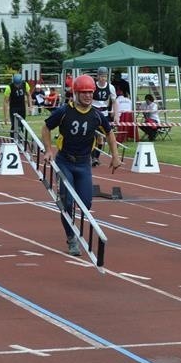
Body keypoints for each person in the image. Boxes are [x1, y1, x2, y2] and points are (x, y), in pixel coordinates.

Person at [41, 74, 121, 256]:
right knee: (67, 202)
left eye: (90, 92)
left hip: (84, 163)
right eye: (84, 92)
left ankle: (74, 226)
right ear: (76, 93)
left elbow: (109, 134)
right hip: (65, 162)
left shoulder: (97, 115)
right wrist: (48, 149)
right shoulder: (64, 111)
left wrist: (115, 156)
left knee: (85, 203)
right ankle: (71, 238)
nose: (88, 96)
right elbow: (46, 128)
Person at [91, 66, 118, 166]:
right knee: (91, 135)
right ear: (97, 77)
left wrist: (116, 115)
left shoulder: (110, 87)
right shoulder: (93, 86)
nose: (103, 79)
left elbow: (114, 102)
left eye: (105, 76)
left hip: (104, 114)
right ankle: (91, 156)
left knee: (101, 137)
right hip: (93, 112)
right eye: (101, 76)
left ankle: (96, 158)